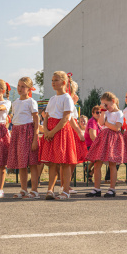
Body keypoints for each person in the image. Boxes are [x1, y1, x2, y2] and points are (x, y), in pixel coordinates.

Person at [38, 71, 77, 200]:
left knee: (64, 162)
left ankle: (65, 191)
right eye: (52, 80)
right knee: (52, 163)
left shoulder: (67, 98)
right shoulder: (53, 99)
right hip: (50, 131)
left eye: (56, 80)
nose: (53, 83)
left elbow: (66, 118)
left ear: (64, 82)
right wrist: (45, 130)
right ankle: (50, 189)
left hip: (61, 131)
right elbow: (47, 116)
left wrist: (52, 131)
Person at [85, 92, 124, 198]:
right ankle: (96, 189)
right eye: (103, 104)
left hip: (113, 139)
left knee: (112, 164)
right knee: (97, 163)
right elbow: (101, 123)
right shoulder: (106, 113)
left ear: (113, 102)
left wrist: (106, 123)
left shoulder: (119, 113)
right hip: (103, 137)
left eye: (106, 104)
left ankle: (112, 189)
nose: (105, 107)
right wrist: (103, 112)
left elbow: (117, 128)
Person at [7, 77, 40, 199]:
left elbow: (36, 121)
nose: (20, 89)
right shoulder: (15, 102)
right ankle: (24, 189)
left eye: (23, 86)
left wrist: (35, 138)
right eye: (19, 86)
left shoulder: (31, 102)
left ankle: (35, 190)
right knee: (21, 163)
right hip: (17, 131)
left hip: (28, 133)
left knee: (32, 163)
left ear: (29, 89)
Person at [59, 79, 87, 195]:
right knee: (67, 160)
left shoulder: (69, 100)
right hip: (70, 129)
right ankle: (63, 185)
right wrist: (80, 132)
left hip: (73, 129)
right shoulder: (65, 99)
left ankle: (66, 184)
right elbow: (70, 118)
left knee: (73, 160)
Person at [84, 105, 102, 182]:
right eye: (97, 112)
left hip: (96, 145)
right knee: (100, 159)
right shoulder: (92, 121)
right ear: (92, 113)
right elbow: (92, 136)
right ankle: (88, 170)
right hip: (90, 145)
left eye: (101, 112)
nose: (99, 114)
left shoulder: (99, 122)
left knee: (101, 160)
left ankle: (89, 172)